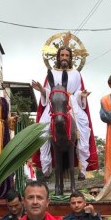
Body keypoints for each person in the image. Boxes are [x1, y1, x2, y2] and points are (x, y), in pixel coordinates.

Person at [32, 46, 98, 179]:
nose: (64, 58)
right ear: (58, 57)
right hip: (55, 102)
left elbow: (78, 90)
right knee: (42, 128)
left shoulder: (76, 73)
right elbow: (48, 91)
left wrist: (82, 94)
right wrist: (42, 90)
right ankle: (46, 166)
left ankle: (82, 167)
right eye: (62, 55)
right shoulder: (51, 72)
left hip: (72, 102)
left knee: (84, 125)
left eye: (67, 55)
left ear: (70, 58)